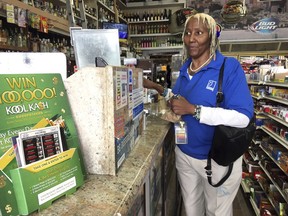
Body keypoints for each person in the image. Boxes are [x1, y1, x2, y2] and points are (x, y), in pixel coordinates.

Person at [169, 13, 254, 216]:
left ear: (212, 37)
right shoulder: (184, 69)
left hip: (217, 160)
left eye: (199, 32)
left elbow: (243, 118)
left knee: (216, 212)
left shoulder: (228, 68)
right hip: (185, 155)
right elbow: (179, 100)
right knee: (191, 209)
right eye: (188, 33)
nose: (191, 38)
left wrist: (194, 110)